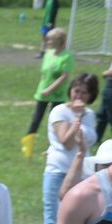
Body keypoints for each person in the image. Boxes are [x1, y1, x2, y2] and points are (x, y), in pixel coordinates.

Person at [24, 72, 98, 224]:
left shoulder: (91, 115)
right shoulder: (59, 111)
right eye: (76, 90)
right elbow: (66, 143)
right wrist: (75, 121)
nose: (79, 95)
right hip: (57, 172)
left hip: (81, 173)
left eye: (84, 92)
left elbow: (88, 144)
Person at [24, 27, 71, 155]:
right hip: (42, 92)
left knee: (55, 121)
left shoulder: (66, 56)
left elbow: (64, 76)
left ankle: (53, 148)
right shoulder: (48, 53)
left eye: (50, 40)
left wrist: (49, 89)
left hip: (57, 94)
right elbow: (44, 73)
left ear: (59, 41)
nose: (47, 41)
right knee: (36, 119)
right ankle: (27, 147)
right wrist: (42, 88)